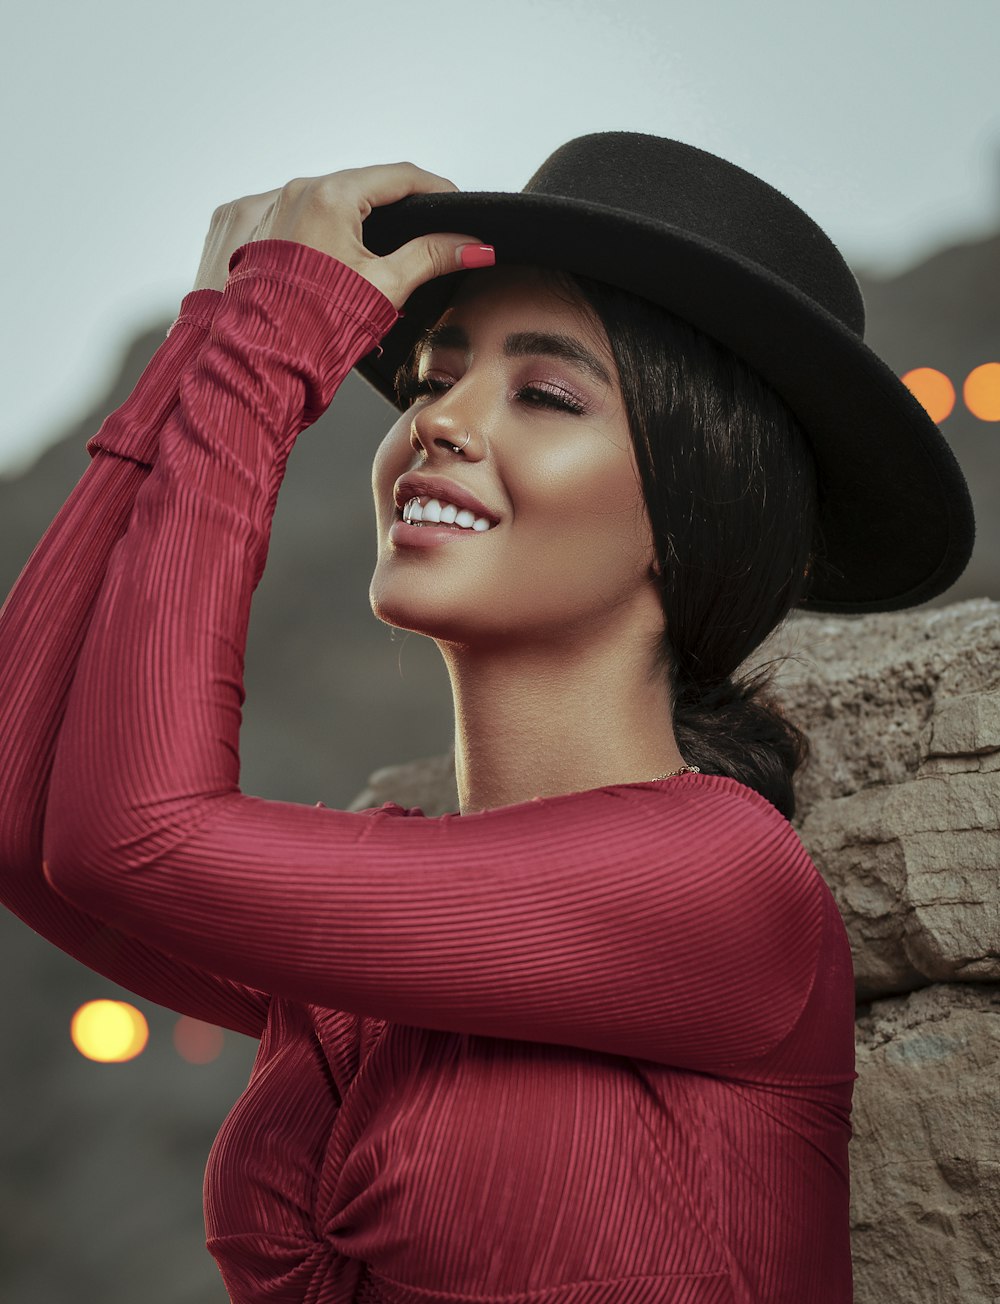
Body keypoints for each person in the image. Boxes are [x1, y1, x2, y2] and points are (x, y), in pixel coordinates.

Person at [0, 132, 975, 1303]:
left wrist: (268, 347)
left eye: (546, 392)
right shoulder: (390, 941)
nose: (438, 422)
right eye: (430, 377)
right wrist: (205, 331)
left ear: (694, 508)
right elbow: (25, 816)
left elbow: (133, 833)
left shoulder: (712, 878)